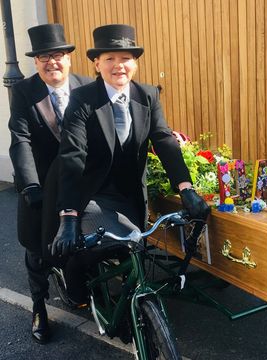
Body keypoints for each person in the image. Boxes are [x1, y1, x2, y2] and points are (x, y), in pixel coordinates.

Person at [48, 23, 209, 303]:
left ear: (135, 63)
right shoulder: (83, 99)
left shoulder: (147, 96)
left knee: (134, 249)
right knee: (91, 248)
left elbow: (164, 142)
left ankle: (132, 310)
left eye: (125, 58)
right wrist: (69, 216)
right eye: (110, 58)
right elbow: (73, 156)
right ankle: (73, 278)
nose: (118, 65)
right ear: (97, 64)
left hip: (130, 193)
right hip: (93, 194)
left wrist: (186, 188)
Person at [8, 23, 92, 344]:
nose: (51, 62)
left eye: (57, 55)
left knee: (92, 237)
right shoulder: (24, 92)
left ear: (69, 57)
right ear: (35, 62)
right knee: (35, 247)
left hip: (81, 183)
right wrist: (30, 185)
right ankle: (39, 305)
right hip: (41, 182)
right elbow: (20, 140)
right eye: (44, 57)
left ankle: (79, 283)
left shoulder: (87, 87)